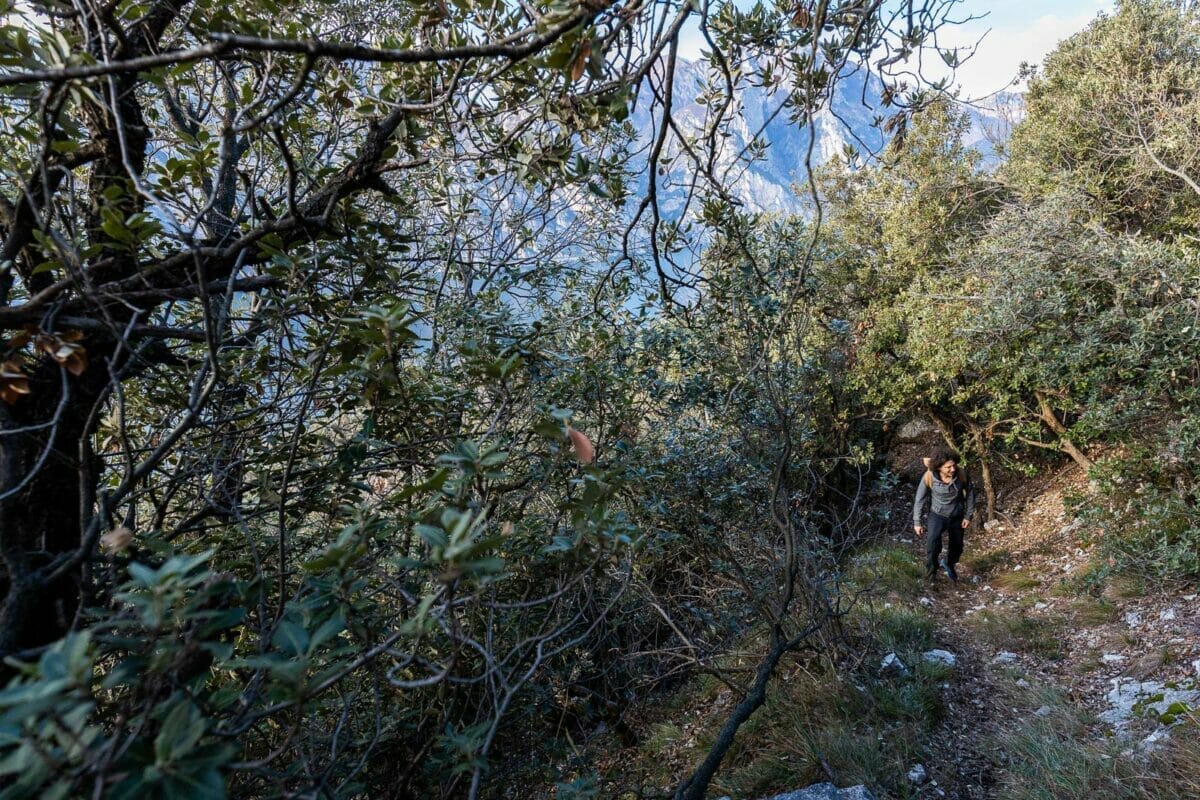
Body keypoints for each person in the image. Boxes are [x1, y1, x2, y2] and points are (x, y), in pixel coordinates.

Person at [912, 448, 976, 582]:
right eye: (948, 467)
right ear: (939, 467)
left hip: (957, 515)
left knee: (957, 547)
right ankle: (931, 574)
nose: (952, 469)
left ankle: (948, 563)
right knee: (932, 545)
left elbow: (970, 494)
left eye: (954, 465)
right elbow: (919, 499)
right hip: (937, 515)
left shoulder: (961, 474)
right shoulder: (929, 476)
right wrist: (917, 522)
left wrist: (968, 515)